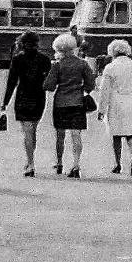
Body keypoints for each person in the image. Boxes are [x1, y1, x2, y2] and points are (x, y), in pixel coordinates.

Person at [0, 30, 53, 178]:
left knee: (27, 132)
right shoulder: (44, 59)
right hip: (39, 97)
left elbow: (11, 82)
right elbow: (49, 81)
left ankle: (30, 163)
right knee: (33, 130)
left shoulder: (17, 59)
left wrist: (5, 103)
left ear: (22, 43)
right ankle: (30, 159)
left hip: (23, 97)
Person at [44, 32, 96, 178]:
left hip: (61, 102)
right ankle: (76, 164)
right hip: (78, 102)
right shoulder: (82, 64)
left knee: (60, 135)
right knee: (76, 134)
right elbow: (91, 84)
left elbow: (49, 85)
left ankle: (59, 162)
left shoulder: (58, 65)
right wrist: (82, 89)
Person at [97, 39, 132, 176]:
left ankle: (117, 164)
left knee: (116, 134)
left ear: (112, 52)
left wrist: (101, 110)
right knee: (131, 133)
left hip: (116, 103)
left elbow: (104, 91)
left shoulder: (110, 68)